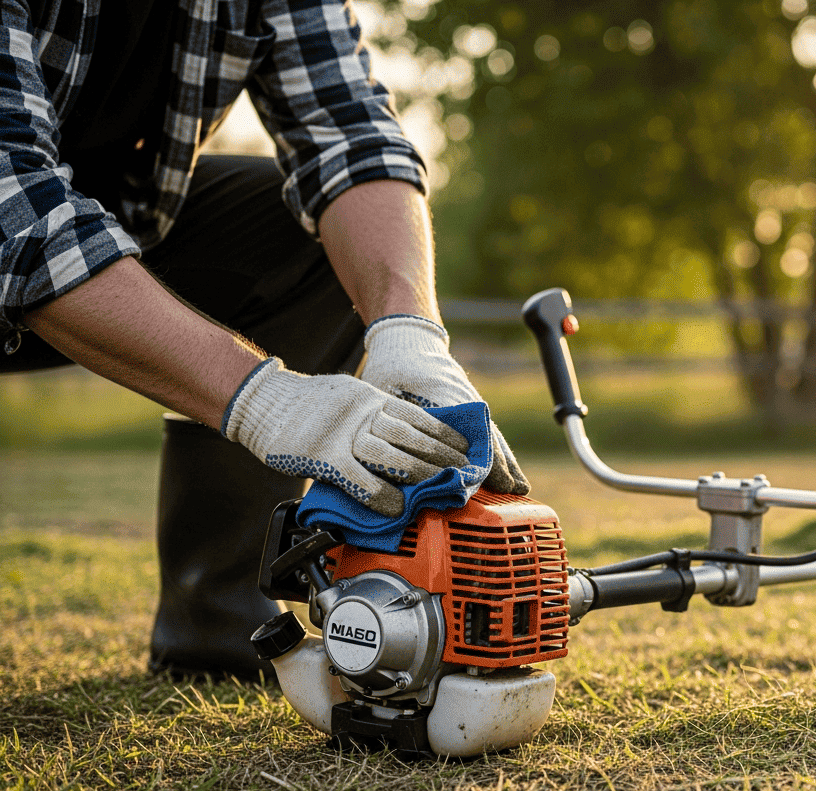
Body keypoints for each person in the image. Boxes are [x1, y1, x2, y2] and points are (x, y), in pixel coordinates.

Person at [0, 0, 528, 679]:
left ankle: (221, 634)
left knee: (308, 243)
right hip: (22, 223)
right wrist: (265, 400)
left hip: (116, 228)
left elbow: (352, 134)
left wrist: (409, 331)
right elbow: (14, 201)